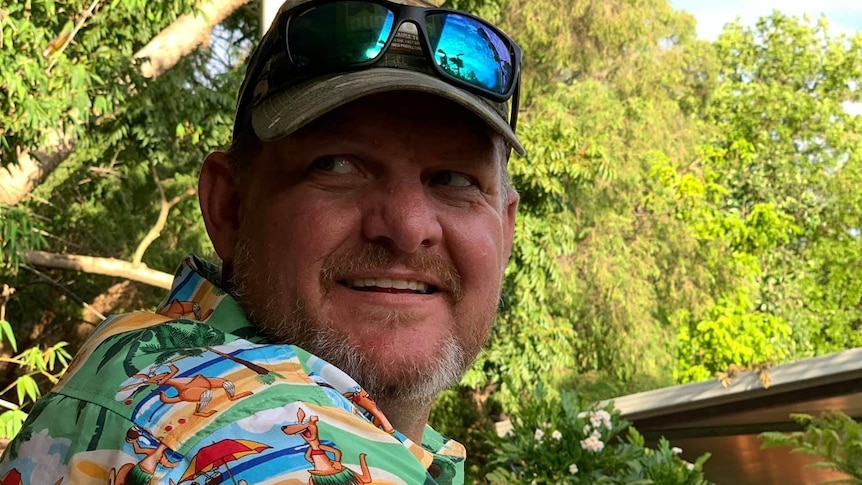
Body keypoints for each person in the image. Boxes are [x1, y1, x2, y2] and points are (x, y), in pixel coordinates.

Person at [0, 0, 524, 483]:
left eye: (454, 180)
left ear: (505, 231)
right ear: (229, 207)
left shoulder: (144, 365)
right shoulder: (261, 447)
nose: (409, 227)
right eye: (337, 165)